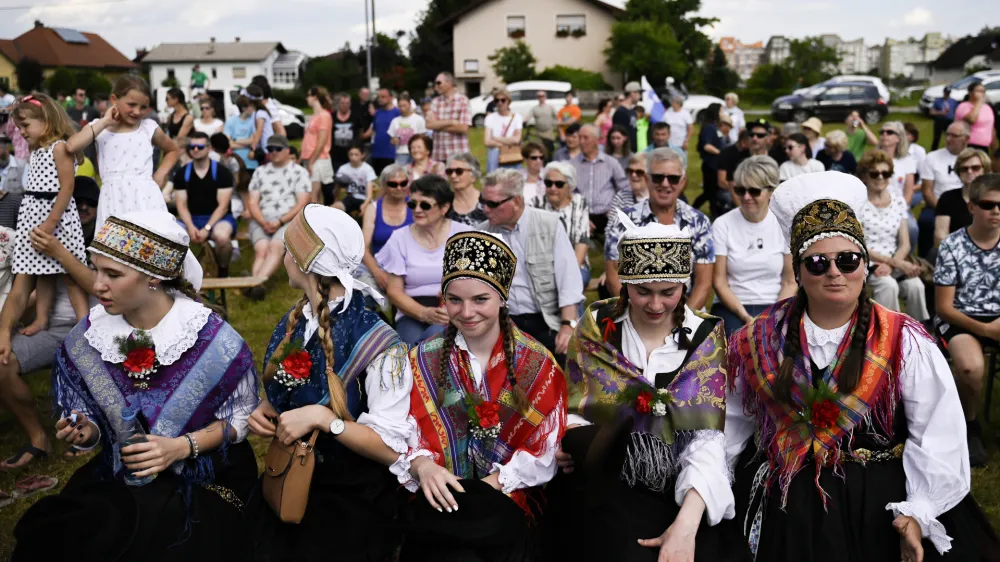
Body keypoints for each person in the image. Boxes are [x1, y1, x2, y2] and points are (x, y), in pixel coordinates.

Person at [727, 171, 996, 561]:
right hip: (785, 500)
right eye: (817, 263)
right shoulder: (756, 340)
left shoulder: (905, 340)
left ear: (866, 265)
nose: (835, 272)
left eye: (848, 260)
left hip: (878, 500)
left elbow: (938, 435)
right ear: (798, 272)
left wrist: (918, 513)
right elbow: (731, 426)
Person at [12, 211, 259, 558]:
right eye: (96, 269)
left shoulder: (212, 339)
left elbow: (240, 418)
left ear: (154, 278)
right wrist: (88, 430)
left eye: (112, 274)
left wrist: (180, 447)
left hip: (200, 474)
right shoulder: (90, 336)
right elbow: (94, 418)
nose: (97, 285)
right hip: (119, 474)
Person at [549, 216, 749, 562]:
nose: (656, 305)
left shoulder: (704, 336)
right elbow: (579, 404)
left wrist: (686, 523)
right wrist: (577, 437)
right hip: (607, 480)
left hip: (679, 481)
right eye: (643, 292)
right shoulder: (598, 327)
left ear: (683, 288)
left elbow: (707, 435)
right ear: (624, 284)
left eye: (668, 292)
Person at [245, 205, 412, 561]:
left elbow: (391, 449)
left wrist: (324, 419)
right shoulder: (296, 318)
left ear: (304, 261)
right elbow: (296, 389)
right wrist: (270, 406)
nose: (285, 255)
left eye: (289, 248)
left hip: (349, 497)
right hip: (290, 477)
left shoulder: (380, 344)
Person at [397, 230, 567, 560]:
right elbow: (404, 428)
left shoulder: (537, 363)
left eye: (480, 299)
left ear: (503, 298)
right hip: (438, 492)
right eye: (454, 300)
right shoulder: (422, 358)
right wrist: (423, 466)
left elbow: (546, 446)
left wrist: (490, 485)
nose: (466, 312)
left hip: (506, 497)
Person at [6, 94, 90, 338]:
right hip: (34, 215)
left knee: (70, 275)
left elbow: (67, 187)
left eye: (26, 125)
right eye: (19, 127)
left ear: (47, 121)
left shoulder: (60, 148)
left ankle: (85, 324)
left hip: (58, 218)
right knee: (41, 272)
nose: (22, 132)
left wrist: (52, 221)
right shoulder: (36, 151)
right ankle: (42, 320)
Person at [478, 169, 583, 361]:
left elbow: (568, 279)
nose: (485, 209)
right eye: (483, 202)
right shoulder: (482, 233)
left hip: (547, 320)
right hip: (502, 322)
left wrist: (568, 325)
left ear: (517, 201)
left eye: (492, 204)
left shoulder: (549, 224)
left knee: (566, 369)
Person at [935, 173, 1000, 466]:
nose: (996, 211)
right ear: (972, 207)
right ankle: (970, 424)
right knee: (971, 368)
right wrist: (986, 328)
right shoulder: (952, 245)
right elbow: (944, 307)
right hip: (962, 318)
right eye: (988, 204)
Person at [605, 149, 715, 310]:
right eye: (657, 177)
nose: (665, 183)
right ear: (646, 179)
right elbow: (613, 275)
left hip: (686, 315)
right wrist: (637, 318)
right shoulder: (624, 221)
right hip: (636, 314)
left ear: (683, 182)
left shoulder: (699, 222)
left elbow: (703, 283)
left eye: (673, 178)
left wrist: (681, 325)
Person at [67, 75, 177, 230]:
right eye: (131, 104)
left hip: (145, 197)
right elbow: (72, 146)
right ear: (114, 100)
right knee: (112, 250)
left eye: (143, 107)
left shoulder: (148, 127)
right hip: (113, 198)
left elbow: (172, 150)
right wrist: (104, 121)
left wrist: (161, 173)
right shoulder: (99, 127)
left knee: (148, 249)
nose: (137, 112)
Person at [378, 175, 472, 345]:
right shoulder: (399, 238)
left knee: (430, 346)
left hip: (453, 310)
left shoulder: (463, 236)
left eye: (425, 205)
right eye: (413, 203)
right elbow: (394, 290)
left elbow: (477, 284)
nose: (417, 209)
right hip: (411, 311)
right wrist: (423, 313)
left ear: (444, 207)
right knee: (407, 348)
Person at [712, 156, 795, 337]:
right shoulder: (722, 224)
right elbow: (719, 282)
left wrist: (773, 315)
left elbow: (790, 281)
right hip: (733, 306)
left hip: (775, 303)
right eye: (741, 190)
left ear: (770, 192)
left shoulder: (784, 224)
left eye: (754, 191)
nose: (746, 197)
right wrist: (744, 316)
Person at [857, 150, 929, 322]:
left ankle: (919, 333)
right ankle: (887, 334)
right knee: (888, 285)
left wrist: (894, 264)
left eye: (886, 173)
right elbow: (859, 245)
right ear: (865, 176)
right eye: (875, 173)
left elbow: (905, 243)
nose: (881, 177)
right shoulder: (857, 203)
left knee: (916, 286)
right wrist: (896, 264)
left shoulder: (898, 201)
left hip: (895, 261)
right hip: (869, 262)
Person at [246, 135, 311, 296]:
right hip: (261, 219)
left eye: (277, 149)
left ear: (287, 151)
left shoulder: (299, 172)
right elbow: (252, 202)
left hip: (289, 220)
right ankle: (257, 284)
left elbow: (302, 203)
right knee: (261, 248)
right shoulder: (260, 171)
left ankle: (255, 283)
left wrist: (280, 221)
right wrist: (263, 221)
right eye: (270, 149)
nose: (273, 152)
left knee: (276, 246)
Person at [172, 131, 236, 277]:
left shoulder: (222, 172)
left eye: (200, 146)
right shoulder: (182, 174)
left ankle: (223, 271)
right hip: (192, 218)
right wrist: (190, 226)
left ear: (209, 148)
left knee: (222, 237)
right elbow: (181, 205)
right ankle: (179, 275)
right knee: (172, 235)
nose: (196, 149)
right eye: (192, 146)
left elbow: (223, 206)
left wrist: (207, 228)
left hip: (220, 218)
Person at [532, 161, 591, 306]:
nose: (552, 188)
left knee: (570, 289)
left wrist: (569, 274)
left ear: (570, 186)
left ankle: (574, 327)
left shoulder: (579, 203)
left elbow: (582, 241)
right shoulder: (536, 204)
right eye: (548, 183)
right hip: (542, 269)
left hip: (576, 267)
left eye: (558, 184)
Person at [358, 164, 413, 294]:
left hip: (410, 266)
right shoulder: (373, 208)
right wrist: (377, 273)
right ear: (384, 186)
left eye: (403, 183)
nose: (399, 188)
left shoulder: (416, 206)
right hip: (380, 266)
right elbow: (363, 247)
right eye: (393, 184)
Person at [918, 121, 970, 256]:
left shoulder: (973, 159)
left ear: (966, 139)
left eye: (954, 136)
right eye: (948, 135)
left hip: (969, 205)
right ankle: (926, 261)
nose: (948, 139)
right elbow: (927, 191)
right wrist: (943, 209)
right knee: (926, 221)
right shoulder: (933, 157)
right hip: (938, 204)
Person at [573, 124, 627, 236]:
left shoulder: (611, 163)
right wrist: (578, 215)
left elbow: (625, 189)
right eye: (580, 137)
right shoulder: (572, 164)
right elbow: (568, 193)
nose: (581, 142)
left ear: (597, 140)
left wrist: (616, 210)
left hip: (607, 216)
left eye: (586, 138)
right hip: (581, 216)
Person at [934, 148, 991, 247]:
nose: (969, 171)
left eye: (975, 168)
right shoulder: (947, 198)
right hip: (955, 253)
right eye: (964, 169)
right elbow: (940, 236)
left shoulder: (995, 198)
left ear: (985, 170)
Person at [426, 72, 471, 163]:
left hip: (459, 153)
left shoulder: (463, 100)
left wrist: (438, 126)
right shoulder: (435, 102)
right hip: (439, 154)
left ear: (449, 83)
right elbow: (429, 125)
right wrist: (451, 122)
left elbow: (463, 128)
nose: (436, 86)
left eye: (439, 83)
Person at [719, 119, 770, 195]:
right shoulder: (737, 158)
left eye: (760, 135)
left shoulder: (777, 157)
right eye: (752, 135)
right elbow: (732, 187)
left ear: (768, 139)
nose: (755, 138)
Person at [302, 86, 334, 204]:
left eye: (308, 95)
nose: (307, 98)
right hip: (310, 157)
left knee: (313, 196)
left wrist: (311, 161)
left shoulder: (324, 116)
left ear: (315, 97)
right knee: (312, 194)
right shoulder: (315, 115)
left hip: (318, 159)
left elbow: (322, 142)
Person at [693, 103, 725, 215]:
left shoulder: (714, 126)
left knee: (712, 192)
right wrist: (720, 153)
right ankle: (693, 208)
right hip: (710, 165)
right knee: (709, 192)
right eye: (721, 111)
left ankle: (713, 212)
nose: (722, 113)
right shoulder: (709, 127)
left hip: (715, 165)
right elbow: (706, 146)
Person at [483, 89, 523, 173]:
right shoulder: (490, 118)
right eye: (497, 100)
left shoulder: (517, 117)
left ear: (508, 101)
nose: (499, 103)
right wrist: (504, 144)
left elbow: (516, 139)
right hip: (495, 154)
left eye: (503, 100)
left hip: (512, 153)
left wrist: (495, 138)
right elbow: (487, 141)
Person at [606, 153, 650, 229]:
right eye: (630, 171)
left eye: (639, 172)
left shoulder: (658, 198)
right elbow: (610, 229)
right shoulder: (621, 197)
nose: (633, 175)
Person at [334, 143, 377, 216]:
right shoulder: (343, 169)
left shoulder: (367, 169)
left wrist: (364, 205)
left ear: (362, 155)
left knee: (370, 213)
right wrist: (336, 200)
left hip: (364, 199)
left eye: (356, 155)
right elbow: (337, 188)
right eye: (351, 154)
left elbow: (369, 195)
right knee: (334, 208)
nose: (353, 157)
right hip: (349, 198)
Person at [332, 91, 369, 176]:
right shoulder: (332, 117)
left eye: (347, 103)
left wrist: (359, 148)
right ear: (338, 104)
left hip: (352, 154)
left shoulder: (356, 116)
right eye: (342, 103)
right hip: (336, 154)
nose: (345, 105)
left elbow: (360, 133)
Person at [445, 152, 485, 226]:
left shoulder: (487, 202)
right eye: (449, 172)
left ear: (473, 176)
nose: (453, 176)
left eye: (459, 171)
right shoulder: (444, 205)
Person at [955, 80, 995, 152]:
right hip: (969, 145)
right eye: (979, 91)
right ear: (970, 93)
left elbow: (991, 128)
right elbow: (971, 120)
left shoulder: (987, 108)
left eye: (983, 91)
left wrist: (994, 148)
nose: (982, 94)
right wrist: (979, 102)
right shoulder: (963, 106)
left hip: (985, 147)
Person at [388, 92, 427, 166]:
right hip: (401, 153)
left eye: (404, 105)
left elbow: (423, 138)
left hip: (416, 152)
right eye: (400, 106)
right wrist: (394, 141)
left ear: (409, 104)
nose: (402, 108)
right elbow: (392, 140)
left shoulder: (419, 119)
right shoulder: (395, 121)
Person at [224, 95, 259, 171]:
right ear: (244, 108)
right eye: (251, 106)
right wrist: (248, 145)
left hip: (251, 163)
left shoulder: (254, 121)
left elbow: (253, 141)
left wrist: (234, 141)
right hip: (234, 163)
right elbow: (227, 143)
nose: (253, 109)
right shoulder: (230, 120)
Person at [371, 87, 401, 175]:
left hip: (391, 153)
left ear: (391, 98)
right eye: (379, 97)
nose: (380, 99)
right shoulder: (377, 113)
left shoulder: (397, 113)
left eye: (383, 97)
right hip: (377, 153)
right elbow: (375, 130)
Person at [613, 82, 642, 152]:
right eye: (639, 93)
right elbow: (618, 133)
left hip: (633, 149)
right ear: (632, 93)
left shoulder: (632, 111)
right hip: (624, 151)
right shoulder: (621, 112)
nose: (640, 96)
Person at [530, 90, 559, 156]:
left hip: (549, 133)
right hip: (538, 134)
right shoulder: (534, 108)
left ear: (545, 97)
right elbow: (527, 117)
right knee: (539, 151)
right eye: (539, 96)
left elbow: (557, 117)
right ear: (537, 97)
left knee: (550, 151)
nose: (541, 98)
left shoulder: (550, 107)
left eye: (542, 96)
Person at [930, 86, 958, 150]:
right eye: (946, 93)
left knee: (950, 137)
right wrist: (940, 113)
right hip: (939, 121)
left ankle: (949, 149)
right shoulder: (938, 100)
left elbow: (956, 111)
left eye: (948, 93)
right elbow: (932, 112)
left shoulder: (953, 101)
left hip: (949, 121)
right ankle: (933, 150)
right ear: (943, 92)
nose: (947, 94)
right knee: (936, 137)